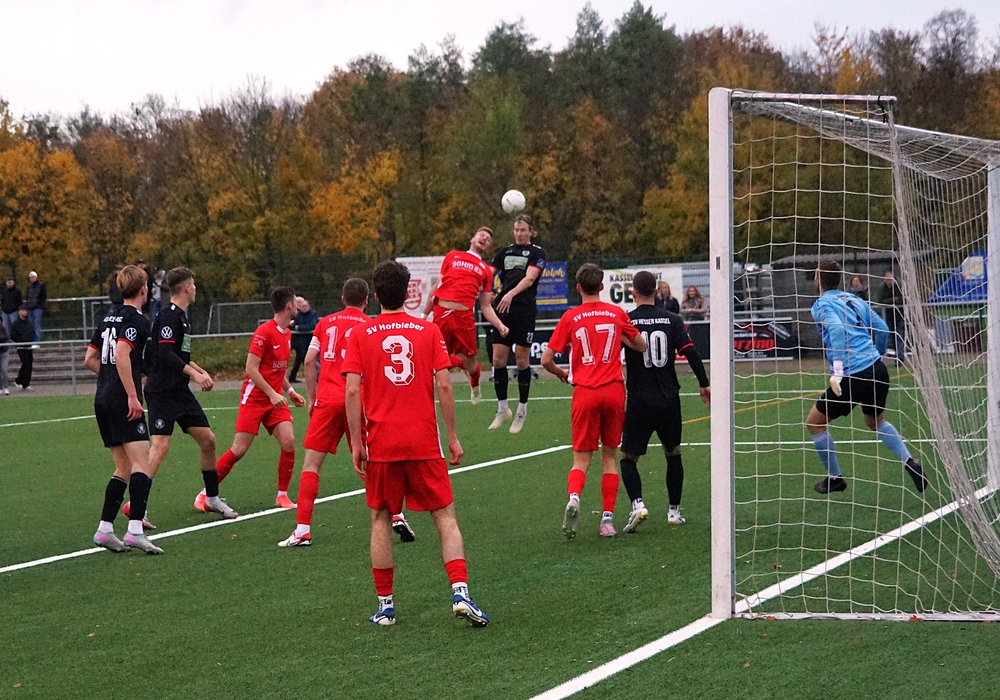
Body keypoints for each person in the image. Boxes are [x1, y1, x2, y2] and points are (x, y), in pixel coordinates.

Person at [344, 260, 489, 627]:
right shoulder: (428, 330)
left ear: (376, 295)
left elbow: (352, 390)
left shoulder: (360, 334)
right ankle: (460, 593)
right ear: (408, 293)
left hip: (382, 443)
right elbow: (444, 384)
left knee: (380, 518)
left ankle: (386, 606)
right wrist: (452, 436)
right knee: (445, 517)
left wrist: (357, 443)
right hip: (424, 441)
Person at [540, 263, 646, 539]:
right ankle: (607, 521)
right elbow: (641, 345)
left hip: (585, 392)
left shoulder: (571, 317)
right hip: (613, 391)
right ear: (601, 287)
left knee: (581, 458)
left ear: (578, 288)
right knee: (609, 457)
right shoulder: (616, 313)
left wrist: (562, 373)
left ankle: (574, 497)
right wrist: (623, 339)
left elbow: (545, 360)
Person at [807, 260, 927, 495]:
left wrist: (838, 371)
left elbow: (837, 330)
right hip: (877, 369)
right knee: (875, 421)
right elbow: (882, 328)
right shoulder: (854, 299)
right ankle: (910, 463)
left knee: (814, 423)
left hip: (852, 375)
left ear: (818, 281)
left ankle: (835, 478)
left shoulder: (821, 305)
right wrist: (877, 354)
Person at [278, 279, 372, 547]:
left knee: (311, 465)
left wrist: (312, 398)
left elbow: (309, 360)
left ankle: (302, 530)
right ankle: (396, 516)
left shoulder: (325, 323)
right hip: (358, 400)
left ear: (343, 299)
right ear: (366, 301)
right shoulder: (369, 326)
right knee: (371, 461)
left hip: (327, 400)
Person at [618, 271, 711, 532]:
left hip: (639, 399)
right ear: (657, 292)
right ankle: (673, 512)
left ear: (634, 293)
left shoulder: (627, 321)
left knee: (628, 457)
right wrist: (704, 383)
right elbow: (691, 353)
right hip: (668, 397)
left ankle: (638, 505)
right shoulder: (672, 319)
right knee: (673, 453)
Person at [144, 267, 237, 520]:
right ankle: (137, 505)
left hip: (179, 392)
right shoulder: (168, 316)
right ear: (186, 288)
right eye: (193, 285)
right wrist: (195, 376)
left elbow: (179, 355)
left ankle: (212, 498)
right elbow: (166, 354)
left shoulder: (182, 318)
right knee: (160, 446)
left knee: (208, 440)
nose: (195, 289)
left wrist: (198, 370)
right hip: (162, 392)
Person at [85, 265, 162, 554]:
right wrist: (131, 394)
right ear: (144, 289)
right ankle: (135, 530)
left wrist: (110, 380)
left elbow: (90, 358)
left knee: (124, 466)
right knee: (142, 461)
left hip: (102, 399)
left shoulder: (108, 317)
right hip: (121, 400)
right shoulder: (138, 320)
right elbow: (121, 353)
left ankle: (105, 529)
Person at [209, 287, 307, 510]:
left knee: (289, 441)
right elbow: (251, 369)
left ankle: (282, 495)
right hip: (254, 398)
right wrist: (271, 393)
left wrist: (290, 391)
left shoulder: (287, 333)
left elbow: (277, 370)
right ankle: (207, 492)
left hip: (275, 400)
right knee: (239, 449)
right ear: (289, 306)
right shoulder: (264, 332)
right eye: (295, 302)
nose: (298, 306)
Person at [422, 226, 509, 404]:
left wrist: (500, 325)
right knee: (437, 361)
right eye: (481, 235)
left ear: (488, 247)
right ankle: (426, 398)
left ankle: (475, 379)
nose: (484, 238)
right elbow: (437, 287)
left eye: (488, 239)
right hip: (442, 313)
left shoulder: (485, 270)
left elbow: (485, 306)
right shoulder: (452, 256)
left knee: (471, 364)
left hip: (464, 317)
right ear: (472, 238)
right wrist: (424, 315)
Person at [488, 215, 547, 434]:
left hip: (524, 309)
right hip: (503, 309)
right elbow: (487, 274)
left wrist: (510, 294)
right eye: (516, 230)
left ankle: (522, 410)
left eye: (523, 230)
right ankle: (502, 409)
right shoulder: (503, 252)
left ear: (531, 232)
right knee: (498, 358)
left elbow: (529, 279)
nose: (519, 233)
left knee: (522, 359)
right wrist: (488, 292)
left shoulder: (537, 253)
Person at [288, 296, 319, 384]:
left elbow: (312, 325)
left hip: (311, 340)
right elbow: (294, 326)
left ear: (309, 306)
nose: (304, 308)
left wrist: (300, 328)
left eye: (305, 306)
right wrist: (299, 327)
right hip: (300, 341)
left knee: (313, 359)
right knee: (301, 359)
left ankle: (317, 376)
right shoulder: (298, 315)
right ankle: (293, 377)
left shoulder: (312, 314)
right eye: (302, 306)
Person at [878, 270, 905, 362]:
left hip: (900, 314)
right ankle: (893, 355)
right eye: (887, 279)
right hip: (888, 315)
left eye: (890, 278)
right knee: (892, 336)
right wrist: (893, 300)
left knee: (900, 335)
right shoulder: (882, 287)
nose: (889, 280)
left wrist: (896, 301)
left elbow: (903, 298)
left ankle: (900, 357)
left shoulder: (900, 286)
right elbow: (880, 300)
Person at [10, 306, 34, 390]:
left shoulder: (29, 323)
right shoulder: (15, 324)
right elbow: (13, 335)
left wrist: (30, 339)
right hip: (21, 346)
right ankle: (18, 380)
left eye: (26, 310)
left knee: (29, 365)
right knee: (25, 363)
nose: (25, 312)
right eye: (23, 310)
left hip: (28, 346)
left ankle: (26, 384)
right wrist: (21, 340)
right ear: (19, 312)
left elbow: (32, 332)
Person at [25, 271, 46, 345]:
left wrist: (40, 305)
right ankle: (31, 340)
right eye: (31, 277)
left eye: (33, 277)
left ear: (36, 277)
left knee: (36, 324)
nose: (32, 278)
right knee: (31, 325)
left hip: (37, 308)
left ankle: (36, 341)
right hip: (30, 308)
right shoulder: (29, 286)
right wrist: (27, 305)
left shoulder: (41, 285)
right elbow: (27, 297)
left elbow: (43, 296)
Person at [0, 314, 9, 395]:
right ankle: (0, 388)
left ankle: (6, 387)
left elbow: (6, 337)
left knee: (4, 369)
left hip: (4, 352)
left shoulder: (4, 329)